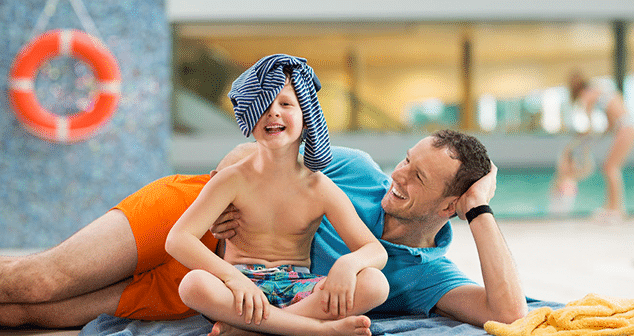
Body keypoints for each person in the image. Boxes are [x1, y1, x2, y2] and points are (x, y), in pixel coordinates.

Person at [165, 54, 389, 336]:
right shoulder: (232, 179)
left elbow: (375, 250)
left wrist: (348, 263)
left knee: (375, 283)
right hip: (240, 288)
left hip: (300, 287)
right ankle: (318, 331)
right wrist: (233, 278)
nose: (273, 112)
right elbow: (178, 239)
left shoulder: (319, 187)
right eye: (263, 105)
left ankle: (251, 331)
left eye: (286, 104)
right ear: (249, 116)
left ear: (306, 117)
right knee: (193, 284)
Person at [565, 69, 634, 221]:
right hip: (626, 127)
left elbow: (589, 127)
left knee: (610, 167)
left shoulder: (587, 95)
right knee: (610, 167)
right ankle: (612, 207)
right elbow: (610, 123)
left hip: (626, 128)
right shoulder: (599, 91)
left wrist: (581, 142)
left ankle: (616, 209)